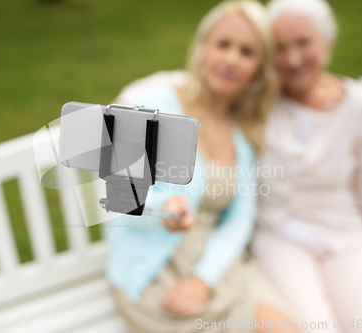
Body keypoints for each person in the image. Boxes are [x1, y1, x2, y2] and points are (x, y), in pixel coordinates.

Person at [104, 1, 298, 332]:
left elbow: (240, 217)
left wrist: (204, 278)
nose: (231, 59)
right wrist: (164, 210)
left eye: (247, 52)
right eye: (223, 45)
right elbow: (120, 203)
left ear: (259, 66)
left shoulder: (243, 128)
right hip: (153, 268)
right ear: (204, 47)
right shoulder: (148, 105)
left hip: (218, 262)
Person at [250, 0, 362, 332]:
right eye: (279, 48)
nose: (292, 59)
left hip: (346, 231)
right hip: (281, 234)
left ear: (326, 42)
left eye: (303, 43)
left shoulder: (361, 106)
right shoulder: (259, 101)